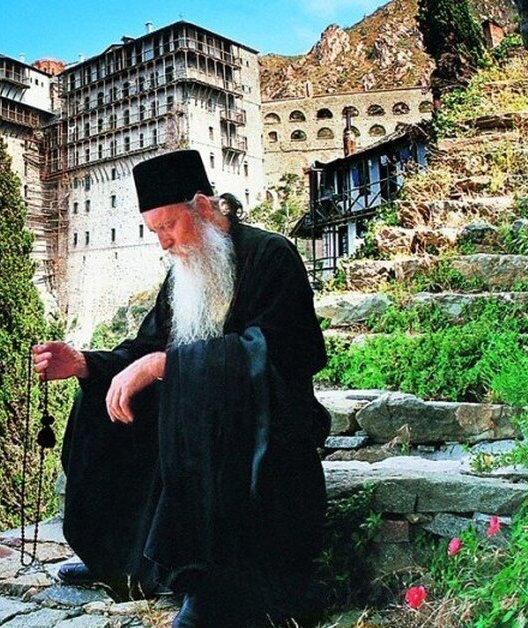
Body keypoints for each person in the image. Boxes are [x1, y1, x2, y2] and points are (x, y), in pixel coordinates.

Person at [32, 150, 329, 627]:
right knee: (106, 398)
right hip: (199, 415)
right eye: (155, 232)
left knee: (198, 408)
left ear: (203, 208)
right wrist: (85, 363)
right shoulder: (185, 270)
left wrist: (170, 366)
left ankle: (212, 589)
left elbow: (282, 353)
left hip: (267, 429)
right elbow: (149, 346)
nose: (164, 242)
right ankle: (122, 557)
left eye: (169, 226)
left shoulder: (272, 255)